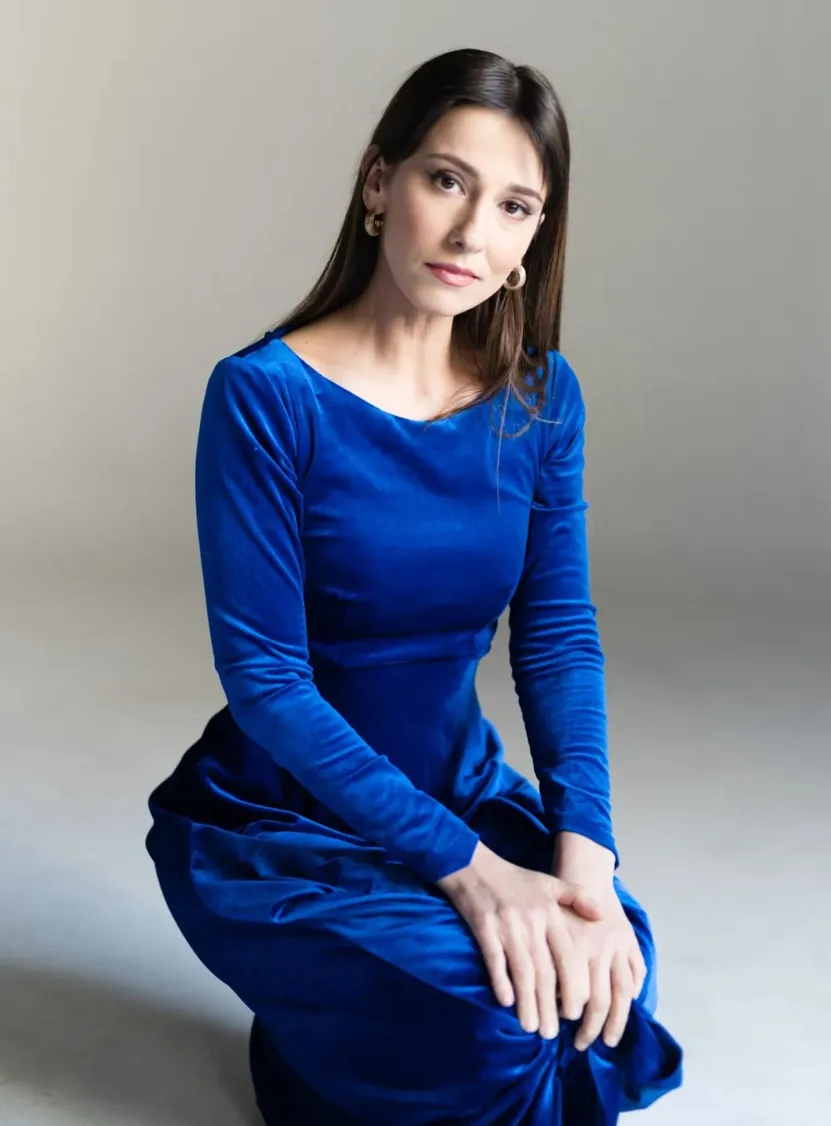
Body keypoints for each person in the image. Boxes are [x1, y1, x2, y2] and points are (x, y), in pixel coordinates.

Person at [145, 47, 683, 1125]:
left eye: (514, 205)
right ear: (379, 183)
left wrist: (583, 857)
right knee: (504, 1019)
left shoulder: (541, 398)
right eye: (447, 180)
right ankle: (315, 1040)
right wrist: (471, 872)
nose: (473, 232)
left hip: (459, 789)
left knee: (606, 974)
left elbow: (558, 639)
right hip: (286, 818)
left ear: (535, 237)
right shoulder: (264, 397)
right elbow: (267, 684)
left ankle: (348, 1032)